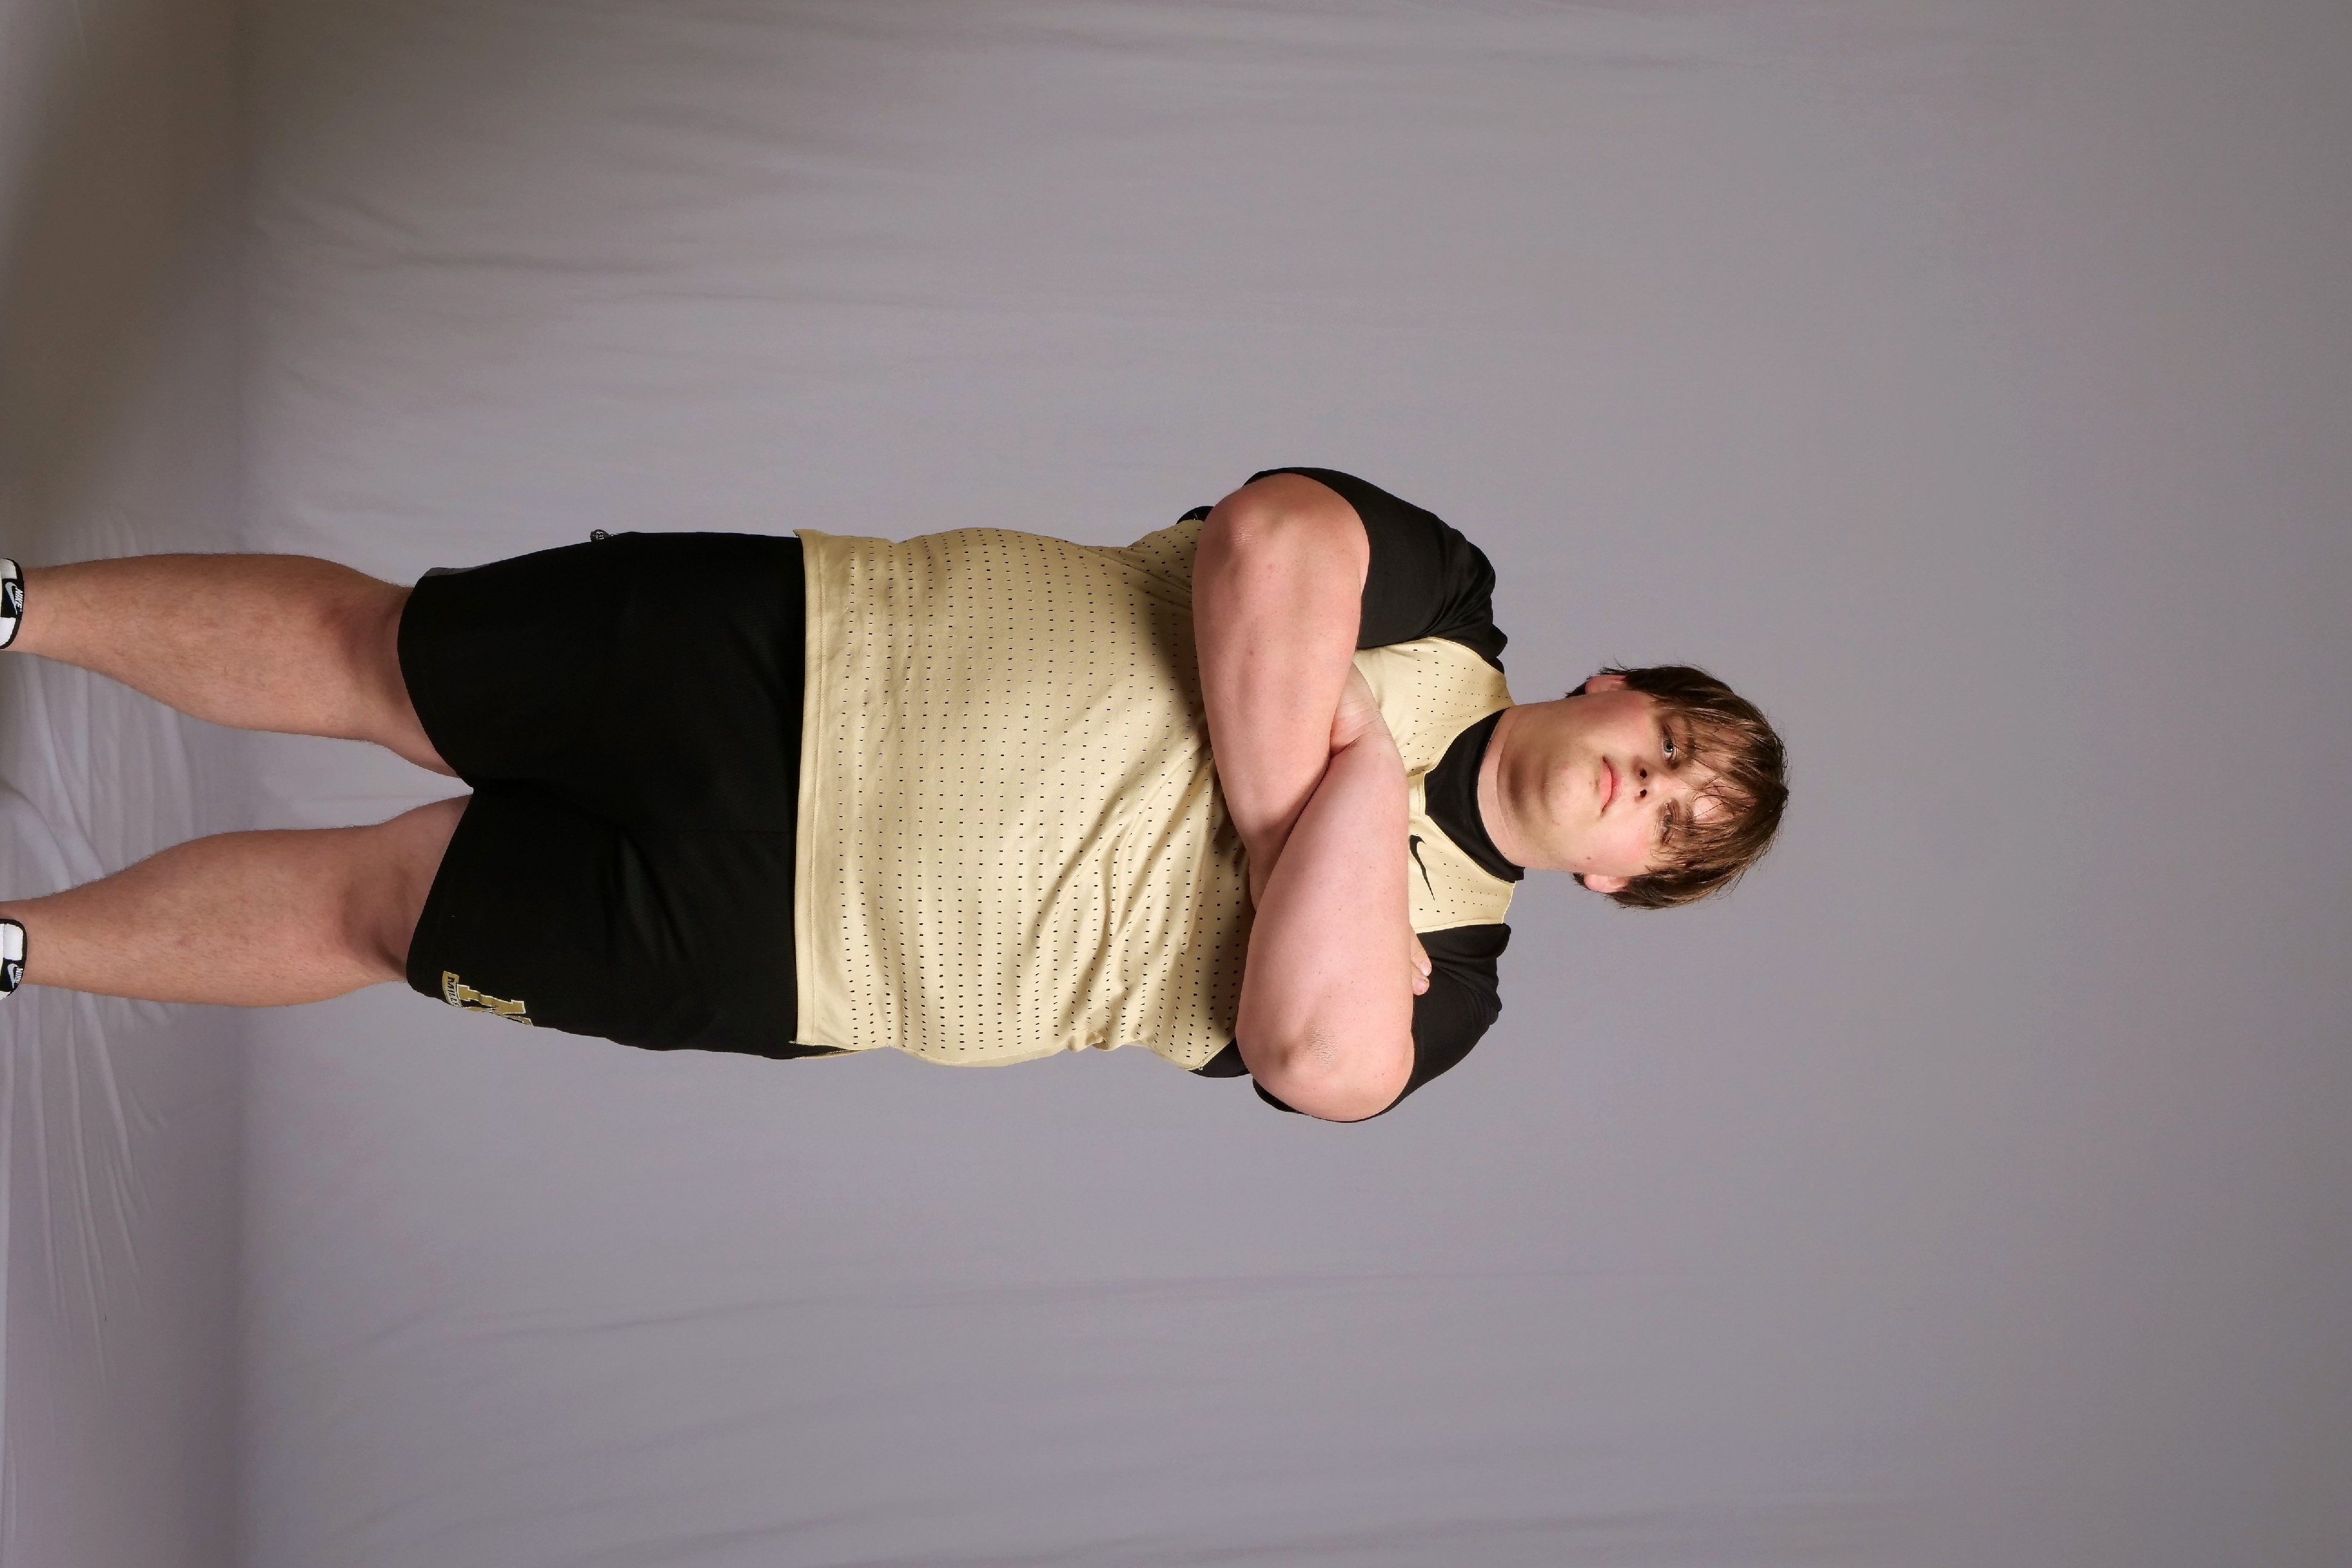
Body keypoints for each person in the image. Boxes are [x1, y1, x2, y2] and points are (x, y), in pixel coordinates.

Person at [0, 468, 1786, 1121]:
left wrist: (1344, 753)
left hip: (794, 951)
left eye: (1669, 823)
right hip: (805, 647)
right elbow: (1270, 544)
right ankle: (20, 605)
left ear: (1619, 886)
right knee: (384, 655)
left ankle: (15, 946)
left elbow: (1320, 1054)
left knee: (375, 909)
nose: (1645, 785)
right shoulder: (1448, 601)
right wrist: (1313, 850)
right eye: (1672, 745)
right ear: (1615, 683)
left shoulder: (1447, 990)